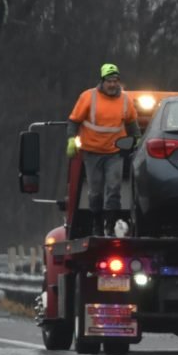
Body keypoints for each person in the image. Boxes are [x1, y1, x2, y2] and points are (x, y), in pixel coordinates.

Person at [67, 63, 139, 236]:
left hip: (114, 153)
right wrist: (71, 139)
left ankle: (110, 226)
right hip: (91, 153)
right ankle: (97, 224)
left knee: (114, 190)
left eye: (115, 81)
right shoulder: (88, 97)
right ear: (102, 81)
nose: (113, 84)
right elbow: (74, 121)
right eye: (109, 81)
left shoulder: (125, 100)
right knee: (95, 192)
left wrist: (137, 139)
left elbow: (132, 124)